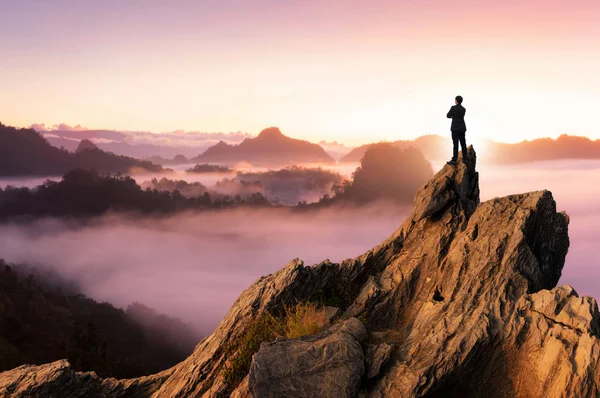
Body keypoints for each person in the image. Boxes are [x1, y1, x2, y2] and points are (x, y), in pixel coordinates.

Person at [446, 95, 468, 165]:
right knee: (463, 143)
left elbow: (448, 115)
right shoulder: (464, 109)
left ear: (456, 100)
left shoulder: (453, 108)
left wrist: (453, 116)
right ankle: (465, 158)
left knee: (455, 144)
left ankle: (454, 159)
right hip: (462, 128)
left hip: (455, 128)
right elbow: (460, 116)